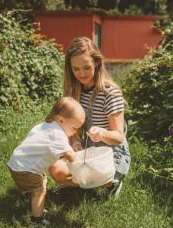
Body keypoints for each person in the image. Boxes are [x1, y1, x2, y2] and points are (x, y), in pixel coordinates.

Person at [49, 37, 131, 198]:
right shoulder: (75, 91)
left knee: (85, 173)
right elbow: (71, 129)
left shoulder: (109, 93)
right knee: (55, 169)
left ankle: (111, 183)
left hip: (111, 154)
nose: (82, 74)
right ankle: (82, 182)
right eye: (76, 69)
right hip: (88, 150)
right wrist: (75, 141)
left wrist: (102, 133)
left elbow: (118, 137)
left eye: (87, 67)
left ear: (97, 63)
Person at [7, 97, 85, 226]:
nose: (76, 131)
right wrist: (84, 164)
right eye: (75, 127)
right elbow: (71, 156)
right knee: (40, 190)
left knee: (41, 182)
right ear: (61, 120)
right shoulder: (58, 135)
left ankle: (34, 205)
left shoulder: (45, 126)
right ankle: (37, 220)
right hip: (25, 169)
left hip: (18, 163)